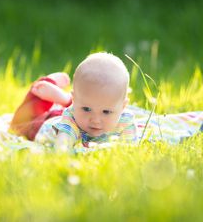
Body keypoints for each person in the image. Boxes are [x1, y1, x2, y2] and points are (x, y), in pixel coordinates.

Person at [9, 52, 137, 151]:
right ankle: (47, 84)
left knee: (85, 103)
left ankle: (65, 100)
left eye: (106, 112)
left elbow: (130, 148)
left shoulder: (125, 120)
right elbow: (63, 144)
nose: (96, 120)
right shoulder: (71, 120)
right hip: (44, 123)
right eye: (87, 109)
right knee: (18, 124)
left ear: (123, 106)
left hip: (73, 108)